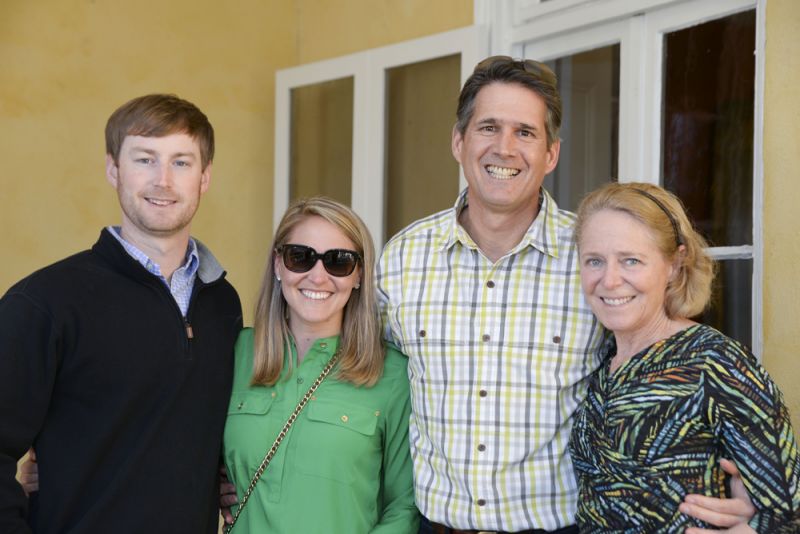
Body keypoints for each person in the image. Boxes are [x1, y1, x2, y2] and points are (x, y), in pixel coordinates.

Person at [376, 56, 757, 533]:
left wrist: (750, 493)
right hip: (436, 526)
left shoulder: (595, 259)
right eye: (488, 127)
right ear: (459, 141)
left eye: (525, 133)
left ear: (551, 153)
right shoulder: (403, 257)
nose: (505, 147)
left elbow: (673, 374)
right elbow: (376, 386)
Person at [0, 94, 242, 533]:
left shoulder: (222, 303)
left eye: (182, 163)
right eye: (145, 159)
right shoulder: (45, 303)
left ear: (205, 177)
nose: (163, 181)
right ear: (113, 169)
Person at [568, 181, 800, 532]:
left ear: (674, 265)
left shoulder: (717, 363)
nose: (609, 280)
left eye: (631, 260)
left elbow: (788, 511)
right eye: (594, 261)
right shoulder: (602, 363)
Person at [220, 197, 418, 533]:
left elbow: (405, 506)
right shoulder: (236, 353)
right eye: (301, 257)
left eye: (339, 263)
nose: (318, 276)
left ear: (358, 275)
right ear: (278, 265)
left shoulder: (392, 373)